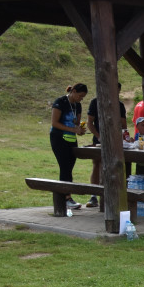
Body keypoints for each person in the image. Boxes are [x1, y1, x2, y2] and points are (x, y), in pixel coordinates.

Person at [85, 83, 126, 209]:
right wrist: (98, 136)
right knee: (97, 165)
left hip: (115, 141)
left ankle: (109, 195)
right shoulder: (95, 102)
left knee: (111, 166)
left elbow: (123, 125)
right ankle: (94, 195)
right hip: (98, 139)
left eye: (118, 92)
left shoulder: (119, 105)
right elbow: (89, 123)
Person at [49, 83, 88, 211]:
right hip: (58, 138)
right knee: (64, 167)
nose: (80, 99)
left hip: (71, 139)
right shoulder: (60, 102)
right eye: (80, 96)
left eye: (83, 98)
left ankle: (66, 196)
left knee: (69, 168)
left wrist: (80, 129)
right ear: (74, 91)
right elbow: (54, 123)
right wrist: (72, 129)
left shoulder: (78, 105)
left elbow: (76, 122)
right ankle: (66, 198)